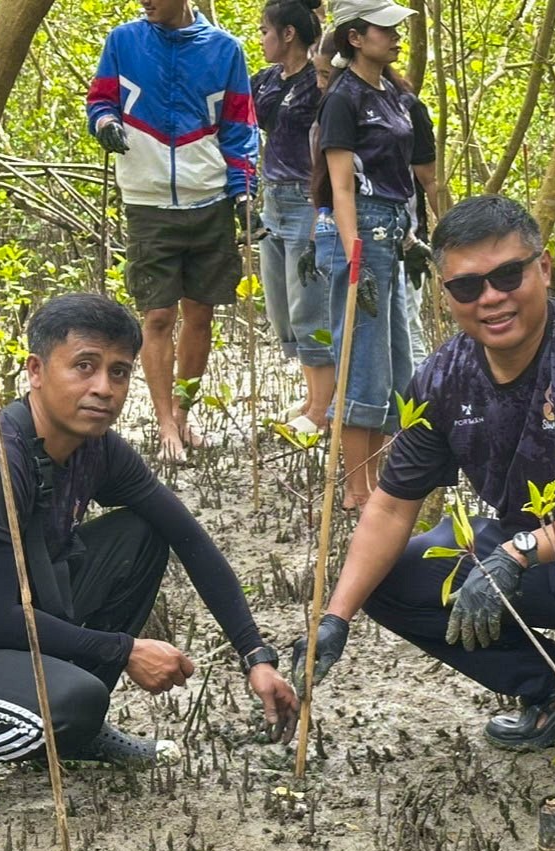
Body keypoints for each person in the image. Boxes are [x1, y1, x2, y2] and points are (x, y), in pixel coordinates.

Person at [0, 294, 297, 818]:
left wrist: (255, 657)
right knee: (75, 702)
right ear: (36, 370)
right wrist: (124, 649)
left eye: (119, 372)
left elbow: (188, 538)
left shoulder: (97, 448)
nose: (104, 388)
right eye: (84, 366)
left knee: (143, 532)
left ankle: (73, 734)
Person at [293, 195, 555, 750]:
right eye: (468, 287)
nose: (491, 298)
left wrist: (516, 553)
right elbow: (394, 504)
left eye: (508, 275)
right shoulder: (442, 376)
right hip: (534, 546)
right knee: (390, 579)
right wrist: (336, 618)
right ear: (445, 295)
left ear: (543, 269)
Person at [86, 0, 259, 463]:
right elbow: (100, 100)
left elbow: (240, 126)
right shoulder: (123, 41)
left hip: (210, 198)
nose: (144, 2)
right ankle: (164, 421)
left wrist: (245, 191)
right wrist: (105, 123)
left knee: (201, 314)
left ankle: (184, 412)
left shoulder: (226, 50)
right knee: (158, 316)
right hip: (146, 199)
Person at [313, 0, 428, 506]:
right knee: (363, 363)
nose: (396, 36)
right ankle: (356, 490)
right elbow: (340, 185)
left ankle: (374, 482)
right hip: (360, 232)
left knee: (395, 365)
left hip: (391, 233)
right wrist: (352, 246)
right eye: (385, 29)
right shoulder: (343, 98)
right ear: (355, 37)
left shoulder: (391, 94)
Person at [254, 0, 335, 435]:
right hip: (272, 200)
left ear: (288, 34)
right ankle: (312, 396)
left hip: (307, 199)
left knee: (310, 304)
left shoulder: (318, 81)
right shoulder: (265, 81)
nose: (261, 39)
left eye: (266, 30)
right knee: (282, 308)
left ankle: (322, 408)